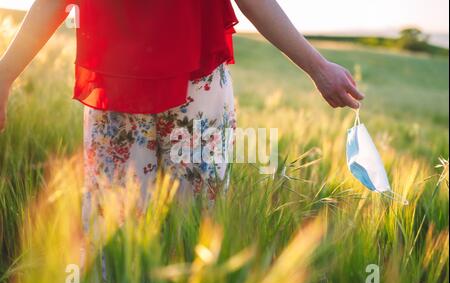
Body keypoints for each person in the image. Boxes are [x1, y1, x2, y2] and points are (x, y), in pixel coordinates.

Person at [0, 0, 364, 218]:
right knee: (113, 228)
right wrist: (5, 75)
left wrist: (317, 67)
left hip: (195, 81)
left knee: (194, 228)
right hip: (118, 90)